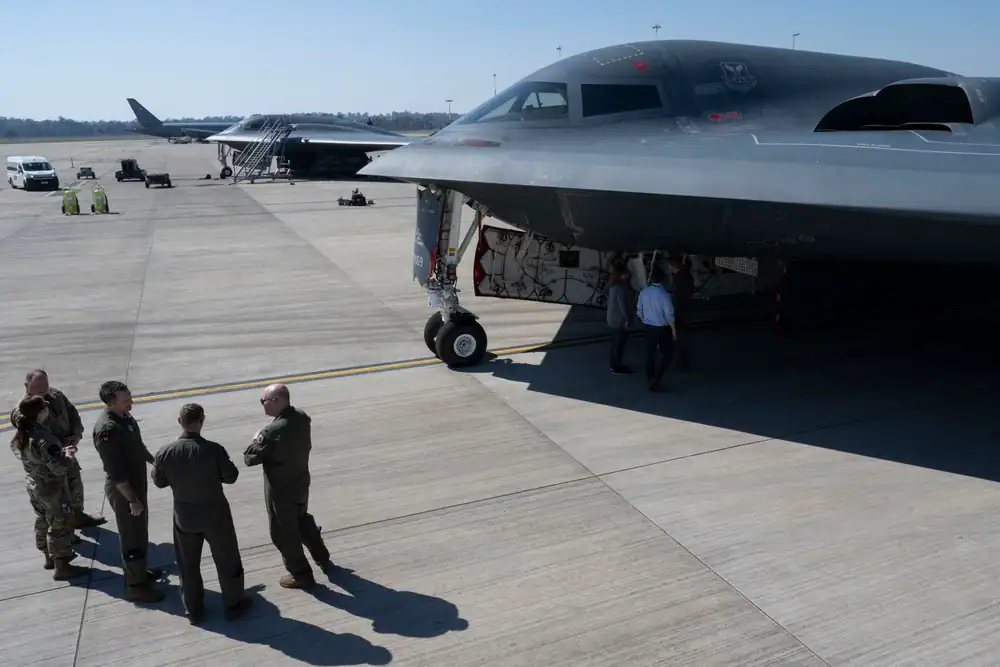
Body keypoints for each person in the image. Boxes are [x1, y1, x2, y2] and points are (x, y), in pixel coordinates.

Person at [152, 403, 252, 625]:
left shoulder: (165, 452)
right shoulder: (213, 450)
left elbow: (159, 482)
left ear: (180, 421)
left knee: (187, 565)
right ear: (202, 421)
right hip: (216, 515)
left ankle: (193, 610)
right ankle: (234, 604)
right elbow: (231, 476)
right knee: (227, 560)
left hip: (184, 517)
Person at [244, 383, 332, 589]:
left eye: (263, 401)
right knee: (302, 519)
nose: (262, 405)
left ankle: (300, 574)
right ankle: (321, 555)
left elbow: (249, 458)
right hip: (300, 482)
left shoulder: (272, 431)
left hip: (280, 490)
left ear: (276, 402)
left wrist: (256, 438)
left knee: (283, 533)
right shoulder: (301, 418)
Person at [92, 380, 165, 603]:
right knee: (132, 537)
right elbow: (114, 472)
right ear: (110, 403)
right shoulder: (108, 429)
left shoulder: (124, 417)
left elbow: (137, 446)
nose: (130, 402)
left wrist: (155, 462)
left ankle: (139, 573)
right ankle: (135, 586)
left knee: (140, 531)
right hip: (125, 491)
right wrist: (132, 499)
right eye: (125, 400)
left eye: (130, 397)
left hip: (135, 484)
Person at [10, 370, 106, 530]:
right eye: (39, 390)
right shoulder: (23, 410)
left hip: (66, 453)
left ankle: (77, 516)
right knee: (56, 503)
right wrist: (55, 444)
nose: (44, 393)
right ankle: (62, 534)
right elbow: (29, 431)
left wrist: (76, 434)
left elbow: (72, 413)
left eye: (46, 388)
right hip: (47, 464)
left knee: (74, 485)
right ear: (27, 386)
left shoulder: (55, 396)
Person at [10, 395, 91, 580]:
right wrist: (68, 455)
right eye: (44, 407)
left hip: (34, 485)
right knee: (60, 523)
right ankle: (62, 565)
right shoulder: (44, 438)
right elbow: (59, 466)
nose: (48, 408)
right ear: (40, 412)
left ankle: (48, 557)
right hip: (52, 489)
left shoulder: (23, 433)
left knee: (42, 519)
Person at [636, 266, 678, 392]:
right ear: (663, 280)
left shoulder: (643, 292)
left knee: (650, 354)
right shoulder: (665, 295)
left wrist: (645, 321)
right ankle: (657, 378)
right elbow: (669, 314)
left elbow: (639, 310)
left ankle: (650, 379)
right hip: (662, 328)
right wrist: (674, 331)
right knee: (667, 354)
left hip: (649, 327)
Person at [668, 257, 695, 371]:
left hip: (679, 310)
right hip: (686, 308)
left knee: (677, 336)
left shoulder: (677, 278)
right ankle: (683, 361)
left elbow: (677, 296)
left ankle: (680, 362)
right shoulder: (688, 276)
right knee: (683, 336)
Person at [606, 262, 633, 374]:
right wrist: (627, 319)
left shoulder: (612, 286)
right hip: (619, 320)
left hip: (612, 319)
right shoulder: (620, 288)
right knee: (620, 344)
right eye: (626, 274)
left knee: (614, 344)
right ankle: (618, 367)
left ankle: (613, 365)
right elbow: (623, 305)